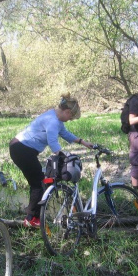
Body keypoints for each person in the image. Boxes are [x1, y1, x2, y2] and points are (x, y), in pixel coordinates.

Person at [9, 94, 94, 227]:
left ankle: (33, 216)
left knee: (38, 181)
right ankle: (31, 219)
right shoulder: (52, 120)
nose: (70, 120)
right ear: (67, 112)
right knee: (38, 182)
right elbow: (52, 141)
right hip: (22, 149)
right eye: (70, 117)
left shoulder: (55, 118)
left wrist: (82, 142)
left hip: (20, 147)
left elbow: (65, 134)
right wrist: (63, 155)